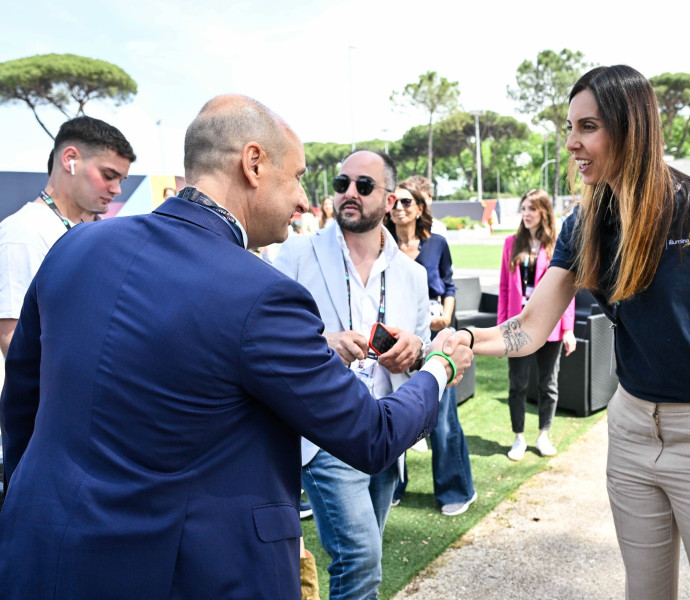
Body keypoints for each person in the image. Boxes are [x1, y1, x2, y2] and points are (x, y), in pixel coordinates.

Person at [0, 95, 472, 600]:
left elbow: (24, 400)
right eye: (296, 177)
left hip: (39, 555)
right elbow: (372, 436)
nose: (301, 200)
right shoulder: (263, 291)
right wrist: (441, 363)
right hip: (183, 575)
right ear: (253, 164)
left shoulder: (74, 246)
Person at [444, 65, 690, 599]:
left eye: (587, 127)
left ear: (631, 128)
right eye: (569, 128)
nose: (571, 143)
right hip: (631, 430)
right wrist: (464, 340)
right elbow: (531, 327)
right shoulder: (584, 225)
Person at [274, 150, 434, 600]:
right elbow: (270, 337)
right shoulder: (299, 252)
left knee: (367, 553)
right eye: (343, 183)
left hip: (386, 430)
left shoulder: (414, 275)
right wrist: (327, 343)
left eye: (364, 186)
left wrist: (414, 350)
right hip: (324, 429)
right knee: (361, 557)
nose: (349, 193)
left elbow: (423, 347)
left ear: (387, 199)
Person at [0, 115, 135, 357]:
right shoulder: (24, 232)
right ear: (70, 159)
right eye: (108, 175)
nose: (117, 189)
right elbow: (13, 340)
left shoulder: (101, 228)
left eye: (120, 179)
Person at [386, 180, 477, 515]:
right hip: (398, 339)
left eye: (406, 202)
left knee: (443, 420)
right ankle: (392, 484)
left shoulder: (437, 243)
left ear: (419, 209)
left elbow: (449, 283)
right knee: (392, 411)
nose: (399, 207)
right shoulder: (383, 247)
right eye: (394, 201)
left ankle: (455, 490)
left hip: (438, 337)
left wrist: (447, 318)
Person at [498, 189, 576, 460]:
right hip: (516, 326)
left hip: (549, 324)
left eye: (532, 209)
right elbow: (505, 290)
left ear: (544, 211)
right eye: (523, 209)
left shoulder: (557, 243)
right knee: (517, 384)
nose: (526, 214)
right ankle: (518, 437)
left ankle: (544, 434)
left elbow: (567, 289)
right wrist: (500, 328)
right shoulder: (511, 243)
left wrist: (568, 328)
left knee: (548, 383)